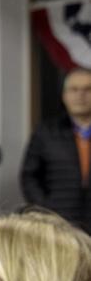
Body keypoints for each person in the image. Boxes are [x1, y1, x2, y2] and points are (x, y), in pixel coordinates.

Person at [21, 66, 91, 233]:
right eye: (74, 89)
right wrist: (46, 210)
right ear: (64, 96)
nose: (80, 95)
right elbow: (29, 176)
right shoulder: (46, 131)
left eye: (88, 89)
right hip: (59, 226)